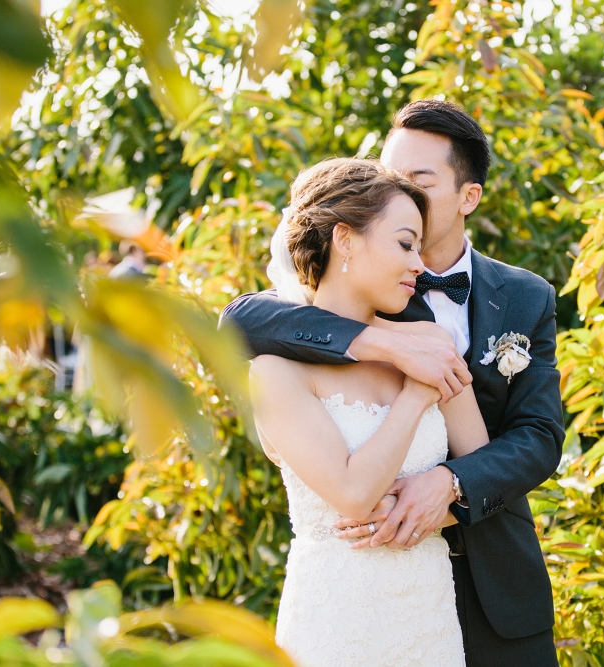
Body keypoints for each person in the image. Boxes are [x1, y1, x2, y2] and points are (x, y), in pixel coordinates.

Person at [222, 100, 565, 666]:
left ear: (468, 197)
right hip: (351, 605)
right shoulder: (361, 306)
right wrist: (382, 342)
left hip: (492, 577)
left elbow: (538, 435)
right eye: (390, 173)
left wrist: (452, 485)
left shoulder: (527, 297)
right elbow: (239, 321)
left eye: (418, 181)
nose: (396, 186)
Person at [251, 157, 489, 666]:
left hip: (428, 620)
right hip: (336, 624)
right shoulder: (276, 370)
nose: (418, 264)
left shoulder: (430, 341)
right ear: (346, 241)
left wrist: (436, 505)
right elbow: (355, 494)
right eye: (405, 243)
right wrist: (417, 396)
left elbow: (484, 470)